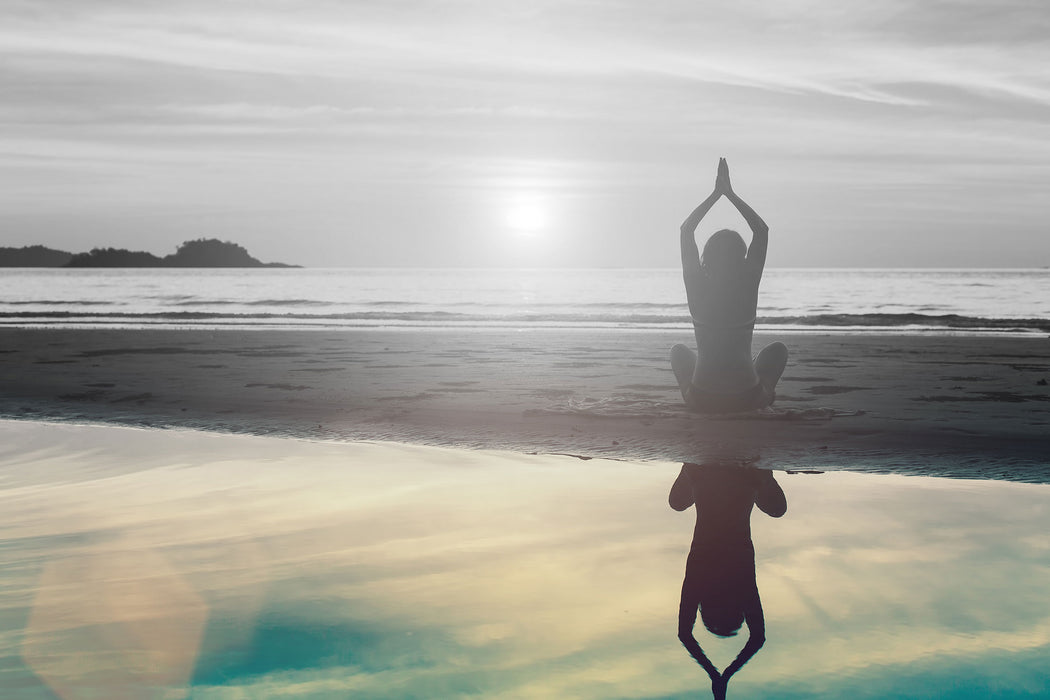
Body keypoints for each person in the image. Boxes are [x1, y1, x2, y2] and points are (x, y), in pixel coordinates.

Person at [671, 158, 787, 413]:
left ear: (706, 259)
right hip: (747, 397)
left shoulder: (695, 285)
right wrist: (730, 194)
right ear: (742, 259)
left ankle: (689, 396)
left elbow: (686, 231)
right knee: (778, 351)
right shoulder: (748, 284)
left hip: (702, 398)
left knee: (679, 352)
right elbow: (762, 231)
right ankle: (766, 394)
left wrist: (715, 195)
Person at [670, 462, 787, 699]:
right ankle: (691, 468)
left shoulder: (742, 587)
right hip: (709, 478)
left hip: (741, 481)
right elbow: (684, 634)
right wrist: (715, 675)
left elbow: (758, 638)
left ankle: (760, 475)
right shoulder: (698, 583)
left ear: (739, 610)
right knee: (676, 504)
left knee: (778, 510)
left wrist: (725, 675)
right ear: (705, 608)